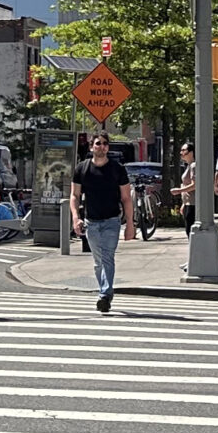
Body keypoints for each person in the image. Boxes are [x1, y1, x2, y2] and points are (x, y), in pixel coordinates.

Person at [70, 132, 135, 313]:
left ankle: (104, 295)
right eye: (98, 143)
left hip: (112, 221)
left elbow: (126, 198)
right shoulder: (82, 169)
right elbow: (74, 196)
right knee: (98, 261)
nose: (102, 147)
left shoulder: (117, 169)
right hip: (91, 222)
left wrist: (130, 223)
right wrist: (76, 217)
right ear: (91, 147)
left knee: (107, 257)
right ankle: (106, 291)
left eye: (105, 144)